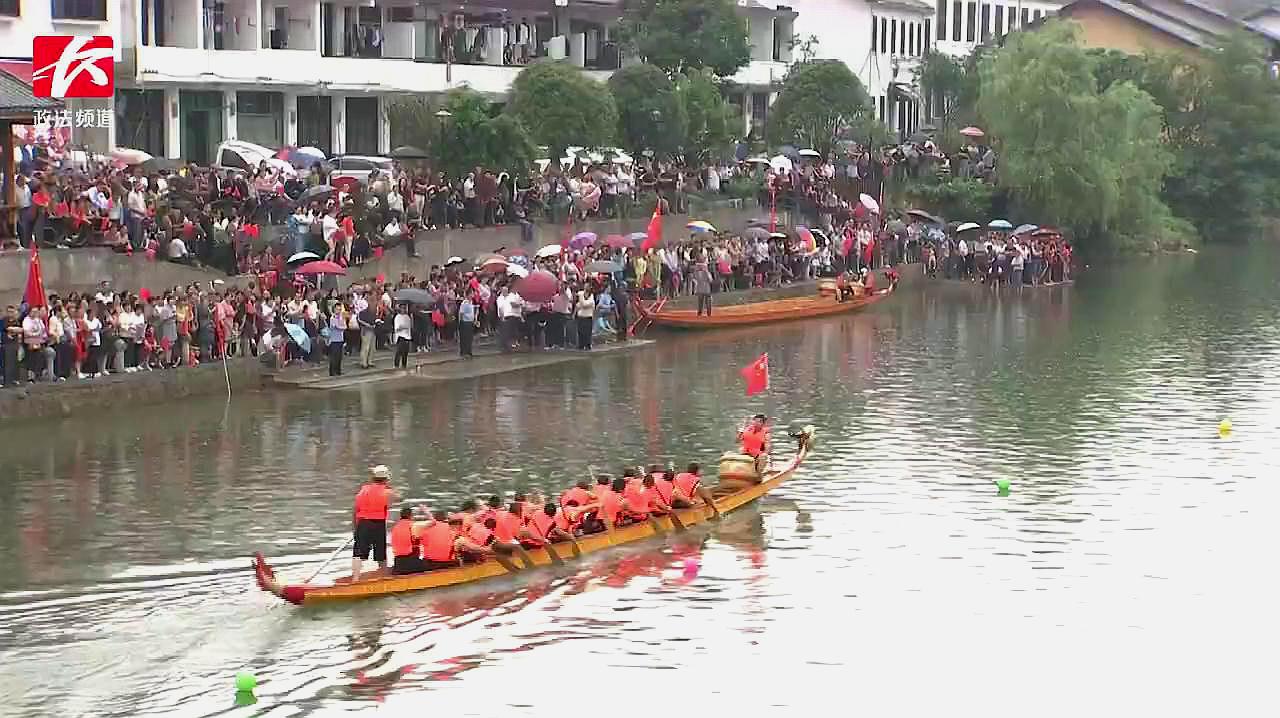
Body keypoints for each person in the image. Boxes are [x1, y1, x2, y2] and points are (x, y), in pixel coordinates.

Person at [351, 464, 399, 580]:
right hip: (378, 523)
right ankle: (384, 576)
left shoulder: (363, 489)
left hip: (362, 523)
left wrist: (355, 527)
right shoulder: (388, 492)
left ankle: (355, 578)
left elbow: (355, 510)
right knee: (380, 553)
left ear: (373, 477)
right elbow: (396, 499)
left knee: (358, 553)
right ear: (386, 479)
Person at [389, 506, 428, 575]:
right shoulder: (413, 526)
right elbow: (425, 541)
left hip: (398, 563)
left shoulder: (395, 528)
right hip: (411, 562)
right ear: (411, 515)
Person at [393, 304, 412, 369]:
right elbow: (396, 329)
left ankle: (404, 365)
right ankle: (396, 366)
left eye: (404, 308)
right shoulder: (397, 317)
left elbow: (410, 326)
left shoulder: (407, 317)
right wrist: (402, 327)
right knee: (399, 352)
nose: (403, 309)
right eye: (402, 308)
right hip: (400, 337)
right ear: (400, 309)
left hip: (407, 337)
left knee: (405, 353)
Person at [458, 292, 477, 358]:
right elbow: (461, 313)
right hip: (465, 322)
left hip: (470, 322)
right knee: (465, 338)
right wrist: (461, 322)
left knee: (470, 338)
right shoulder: (465, 303)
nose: (472, 295)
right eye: (471, 294)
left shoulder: (471, 302)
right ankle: (464, 352)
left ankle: (469, 351)